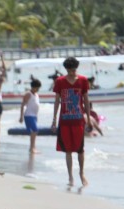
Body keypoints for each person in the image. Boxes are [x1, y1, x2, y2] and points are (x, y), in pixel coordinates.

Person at [50, 57, 91, 187]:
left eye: (74, 70)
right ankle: (70, 177)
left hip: (79, 121)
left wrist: (88, 119)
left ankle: (81, 173)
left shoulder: (83, 80)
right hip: (65, 122)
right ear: (66, 69)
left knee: (80, 149)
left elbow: (86, 101)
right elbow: (57, 101)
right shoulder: (60, 81)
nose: (73, 73)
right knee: (67, 150)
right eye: (70, 70)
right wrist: (54, 119)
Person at [19, 79, 42, 154]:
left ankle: (32, 147)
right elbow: (22, 105)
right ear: (33, 87)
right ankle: (32, 148)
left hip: (34, 115)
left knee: (34, 132)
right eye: (37, 88)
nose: (38, 89)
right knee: (34, 130)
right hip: (28, 115)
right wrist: (21, 116)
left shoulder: (36, 94)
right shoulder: (28, 94)